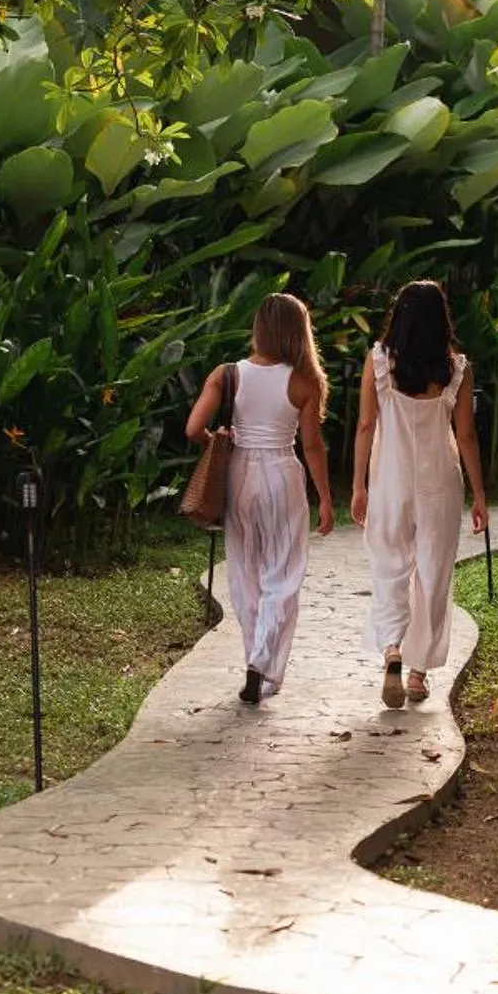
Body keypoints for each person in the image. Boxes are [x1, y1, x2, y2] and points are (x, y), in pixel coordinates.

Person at [185, 292, 334, 706]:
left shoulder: (227, 374)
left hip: (239, 475)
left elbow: (194, 428)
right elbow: (314, 446)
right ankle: (263, 664)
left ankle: (254, 657)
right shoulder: (304, 379)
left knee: (245, 572)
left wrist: (217, 441)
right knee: (283, 575)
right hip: (282, 473)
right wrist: (324, 497)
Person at [351, 278, 488, 707]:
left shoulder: (378, 362)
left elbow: (365, 427)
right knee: (433, 575)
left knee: (390, 564)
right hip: (440, 483)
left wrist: (358, 486)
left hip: (390, 479)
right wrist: (480, 496)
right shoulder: (458, 369)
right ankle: (417, 675)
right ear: (440, 320)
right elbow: (465, 436)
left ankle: (391, 647)